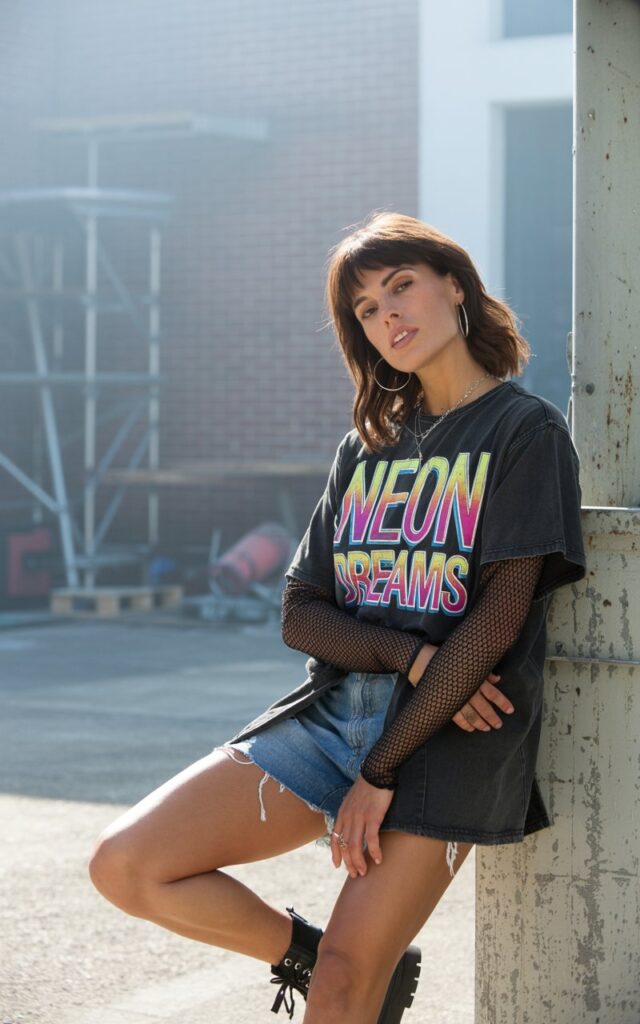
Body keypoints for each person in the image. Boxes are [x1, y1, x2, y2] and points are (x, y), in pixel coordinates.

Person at [89, 211, 587, 1024]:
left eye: (401, 287)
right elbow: (299, 613)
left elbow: (496, 624)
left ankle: (348, 975)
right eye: (364, 308)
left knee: (344, 994)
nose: (387, 315)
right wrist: (412, 658)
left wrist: (381, 770)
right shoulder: (367, 445)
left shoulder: (522, 432)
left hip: (448, 737)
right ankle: (310, 955)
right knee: (126, 865)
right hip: (341, 714)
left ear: (453, 287)